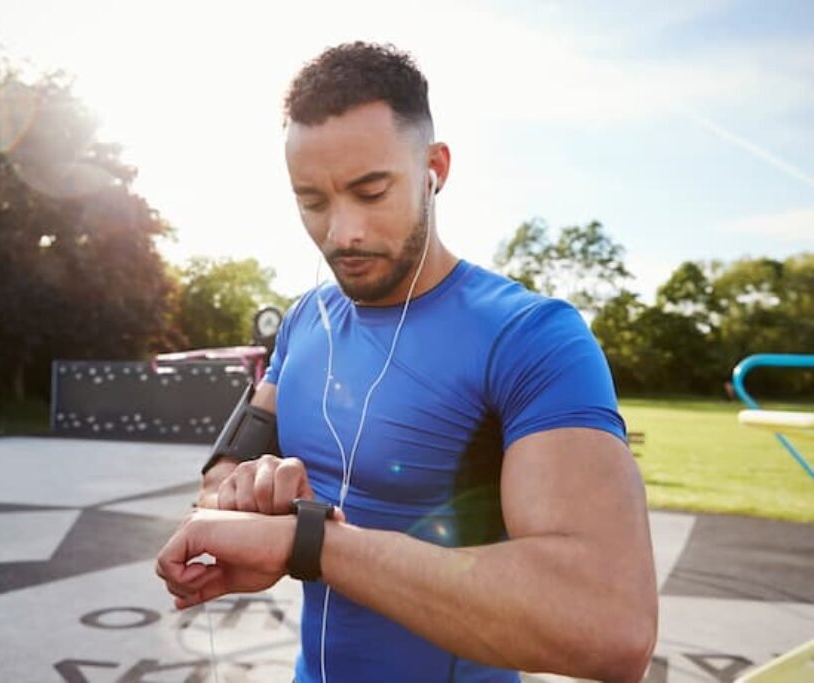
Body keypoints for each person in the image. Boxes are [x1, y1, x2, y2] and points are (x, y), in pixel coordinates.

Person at [157, 42, 657, 682]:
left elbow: (612, 625)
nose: (343, 233)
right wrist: (245, 499)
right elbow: (223, 471)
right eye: (312, 201)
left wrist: (308, 543)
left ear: (434, 167)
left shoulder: (532, 336)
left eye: (371, 190)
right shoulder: (304, 321)